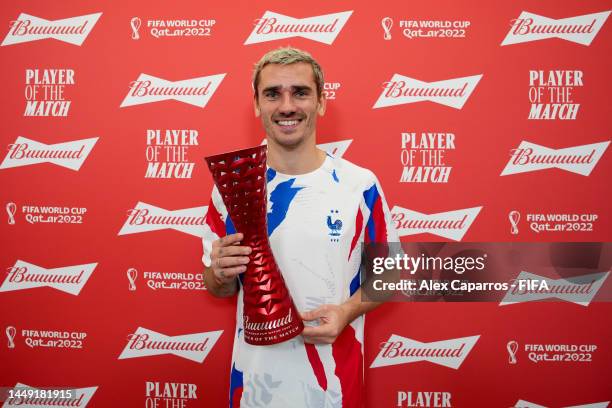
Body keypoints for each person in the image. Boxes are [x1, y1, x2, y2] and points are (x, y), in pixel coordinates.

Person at [202, 47, 398, 408]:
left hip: (334, 387)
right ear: (257, 105)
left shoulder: (359, 184)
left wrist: (346, 312)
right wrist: (220, 273)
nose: (287, 106)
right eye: (273, 93)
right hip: (253, 386)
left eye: (301, 92)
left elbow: (390, 277)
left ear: (321, 102)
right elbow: (217, 288)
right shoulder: (230, 188)